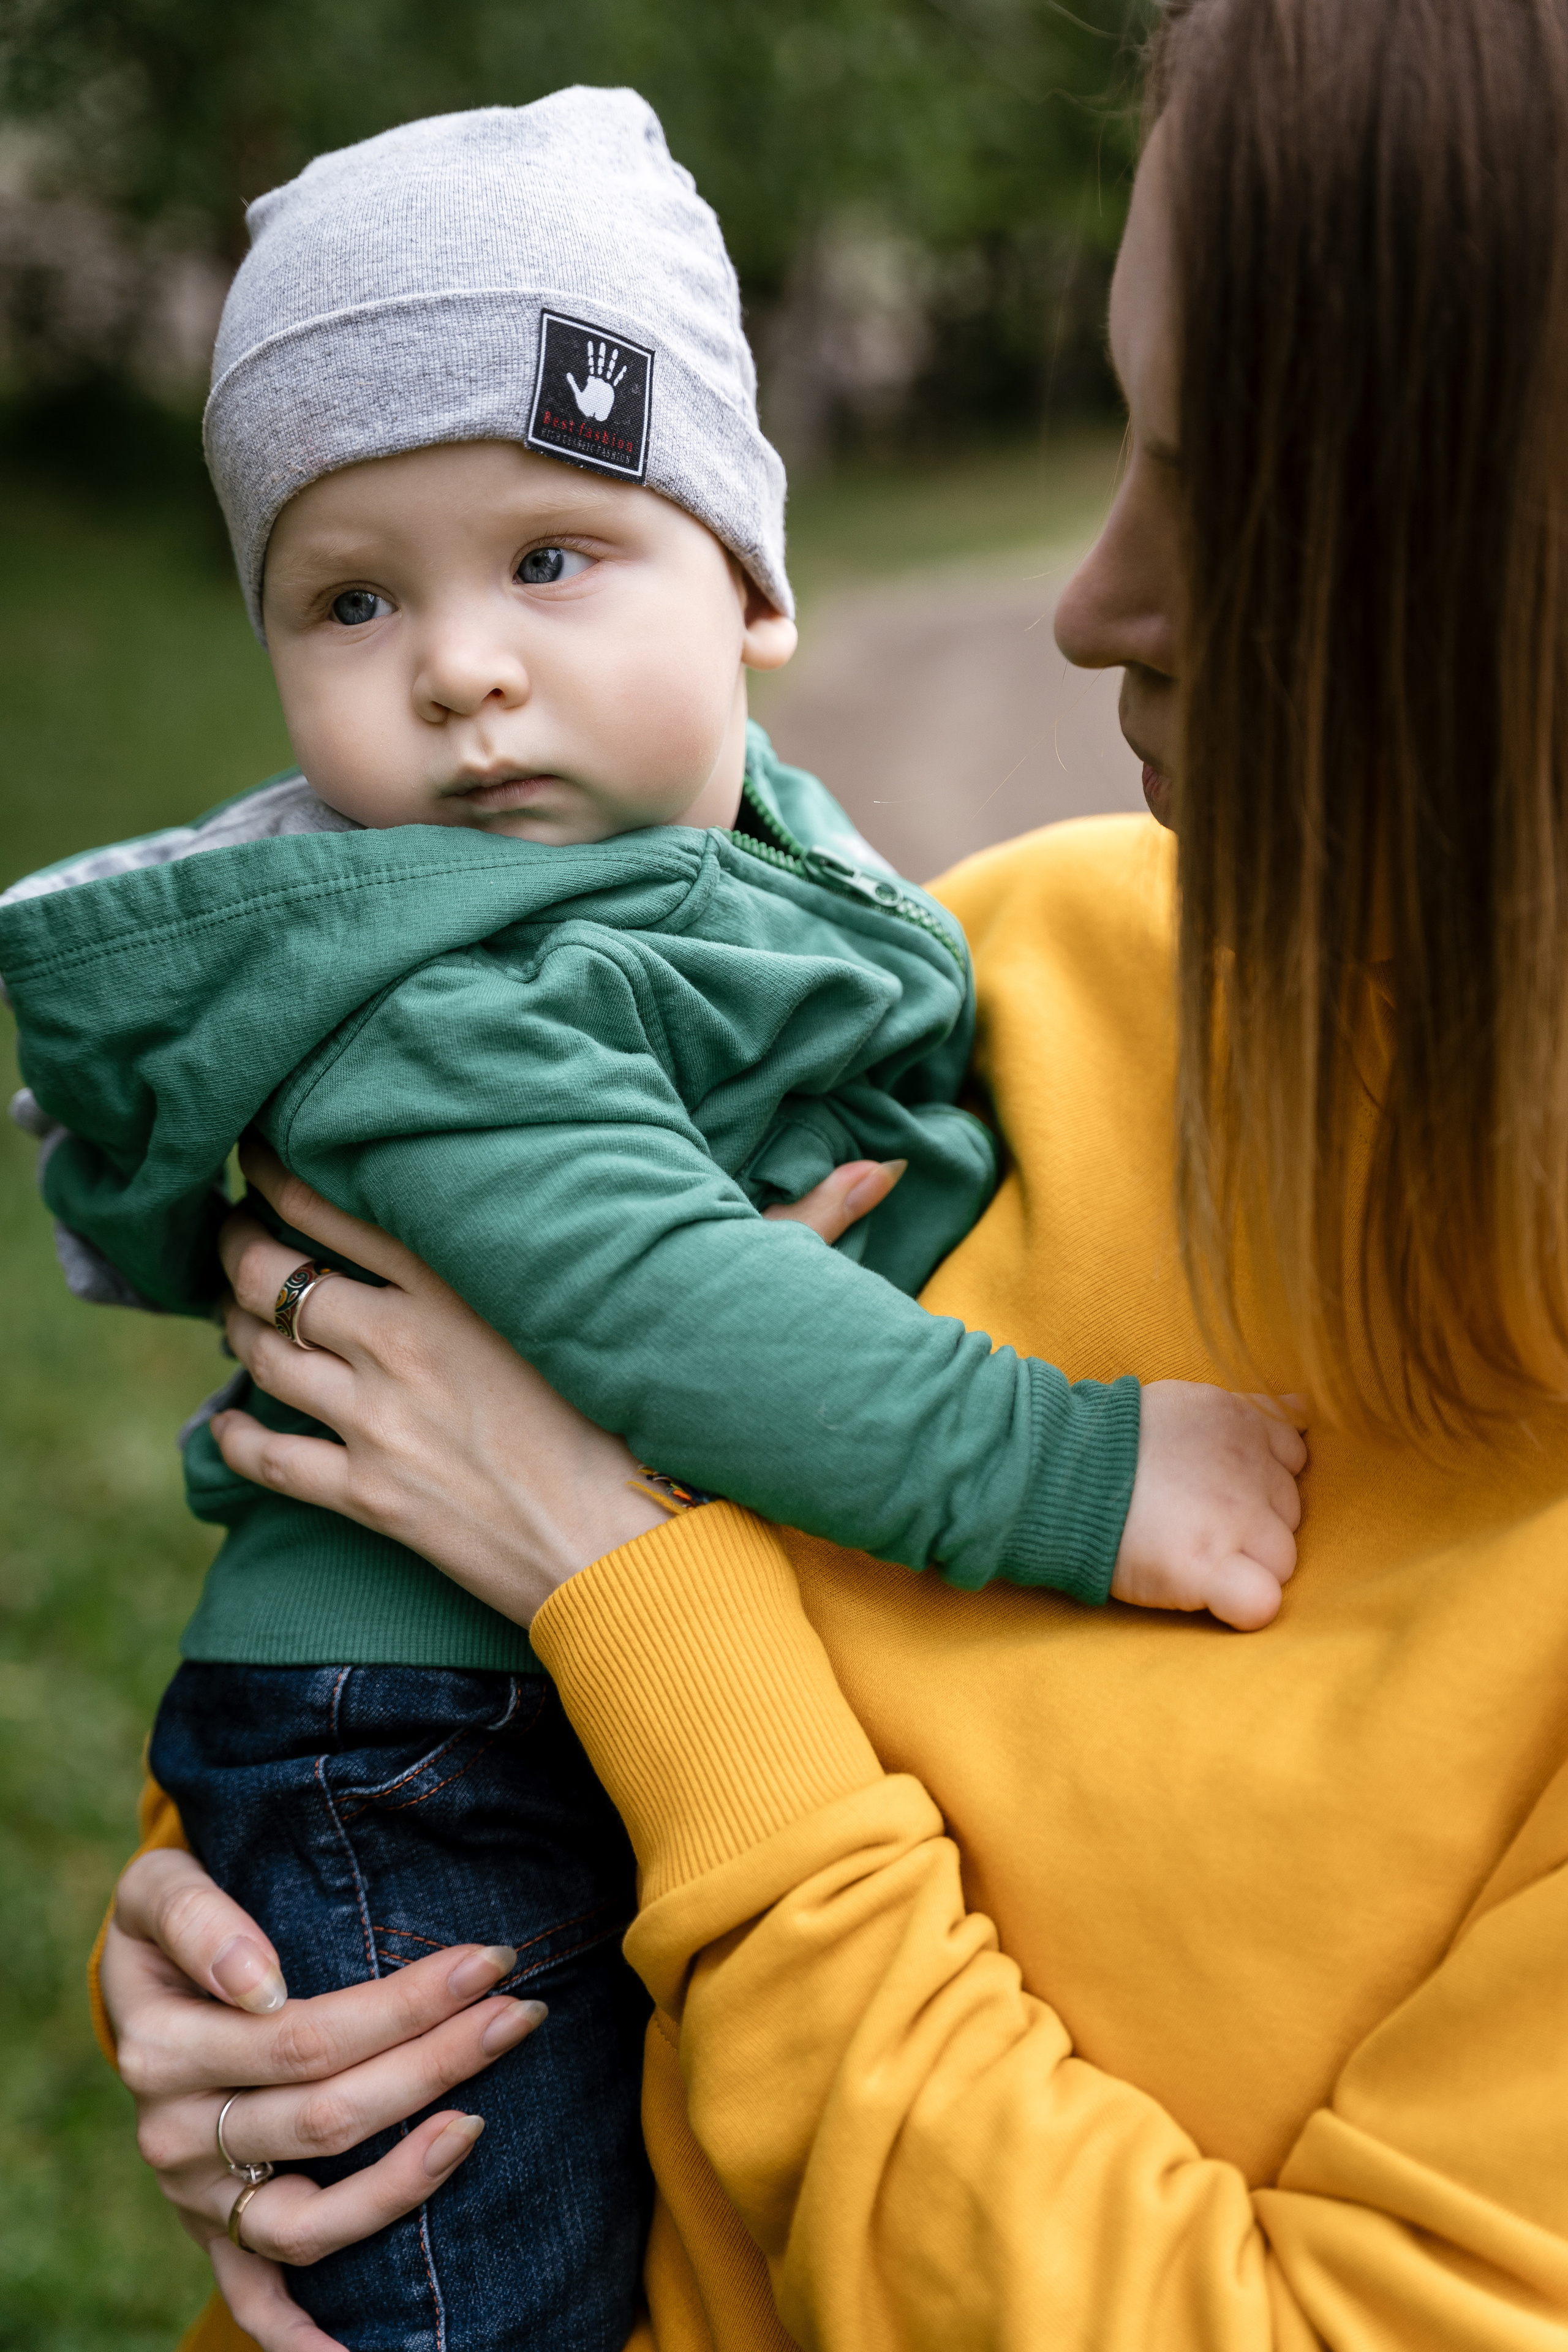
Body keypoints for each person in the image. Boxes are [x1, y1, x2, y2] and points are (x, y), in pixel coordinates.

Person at [85, 0, 1568, 2341]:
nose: (1094, 606)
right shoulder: (1004, 968)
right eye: (356, 598)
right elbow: (380, 1558)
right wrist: (236, 1995)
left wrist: (630, 1580)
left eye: (1225, 491)